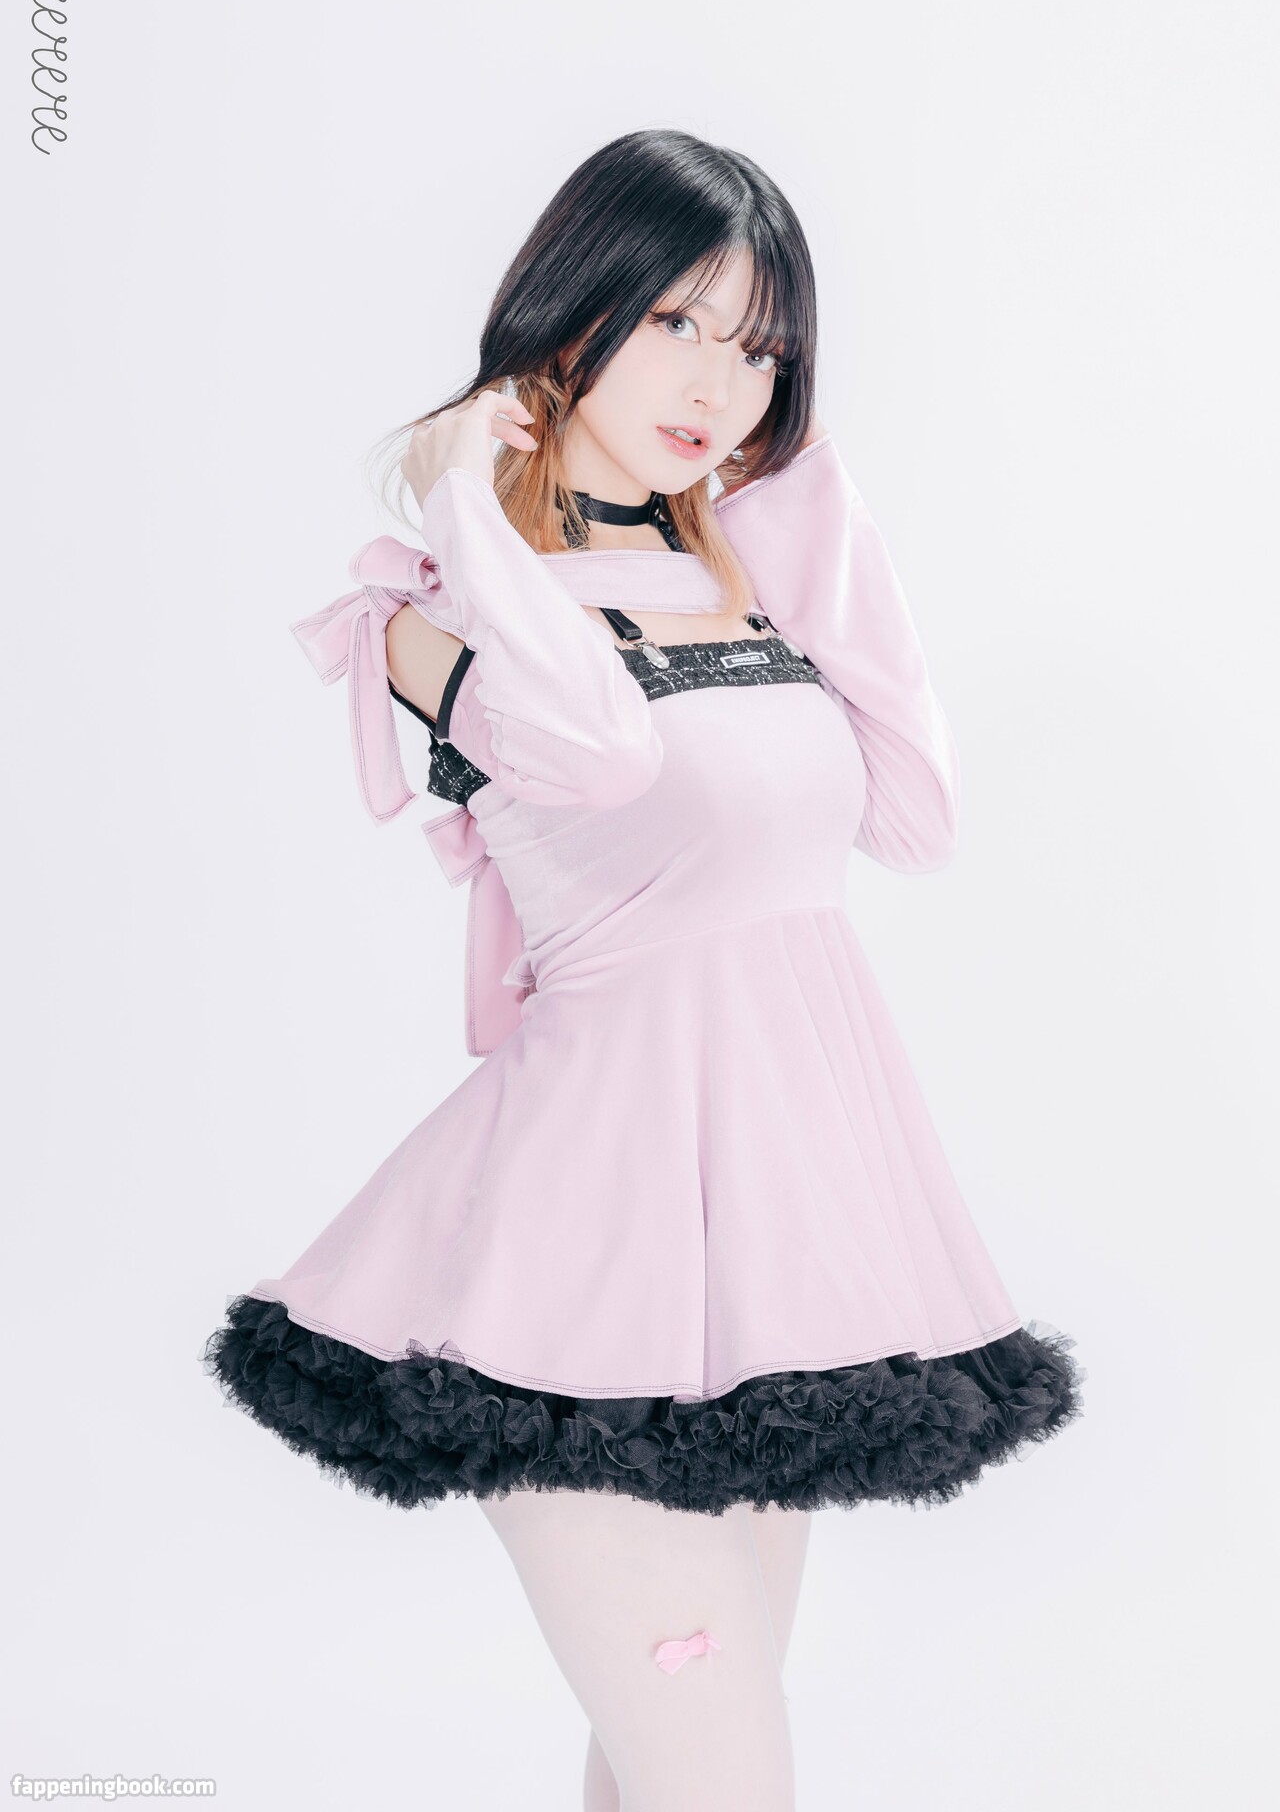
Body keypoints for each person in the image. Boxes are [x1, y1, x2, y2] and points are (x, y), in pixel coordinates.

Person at [202, 127, 1084, 1811]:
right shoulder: (433, 616)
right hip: (575, 1270)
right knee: (723, 1781)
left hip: (779, 1264)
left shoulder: (746, 587)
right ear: (574, 308)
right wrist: (466, 508)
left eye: (761, 350)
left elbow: (915, 817)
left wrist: (813, 504)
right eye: (679, 322)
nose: (718, 384)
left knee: (670, 1774)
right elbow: (594, 754)